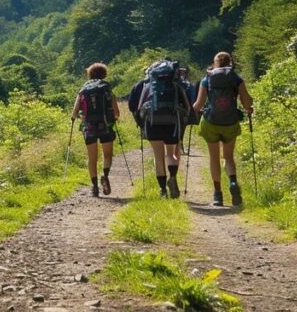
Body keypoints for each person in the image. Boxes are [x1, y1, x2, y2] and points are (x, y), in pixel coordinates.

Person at [193, 52, 254, 207]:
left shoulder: (207, 79)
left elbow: (198, 105)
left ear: (215, 63)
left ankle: (218, 195)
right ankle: (233, 183)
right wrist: (248, 108)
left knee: (214, 158)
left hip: (211, 123)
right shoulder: (236, 79)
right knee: (228, 156)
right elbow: (247, 103)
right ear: (230, 63)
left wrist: (194, 109)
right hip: (230, 123)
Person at [129, 60, 189, 199]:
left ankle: (162, 190)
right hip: (172, 122)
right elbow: (187, 107)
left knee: (158, 156)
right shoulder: (176, 85)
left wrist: (140, 123)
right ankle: (172, 177)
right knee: (170, 154)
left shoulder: (144, 85)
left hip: (152, 122)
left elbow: (133, 107)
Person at [71, 62, 121, 197]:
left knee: (92, 157)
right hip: (105, 126)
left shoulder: (83, 90)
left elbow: (74, 113)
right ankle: (104, 175)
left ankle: (94, 187)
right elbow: (117, 112)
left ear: (89, 74)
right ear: (104, 74)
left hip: (89, 127)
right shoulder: (107, 89)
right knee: (107, 155)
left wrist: (81, 118)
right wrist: (113, 118)